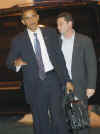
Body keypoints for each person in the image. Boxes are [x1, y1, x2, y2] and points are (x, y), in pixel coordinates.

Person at [6, 8, 73, 134]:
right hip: (34, 84)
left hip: (53, 80)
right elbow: (9, 62)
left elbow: (59, 58)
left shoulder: (51, 33)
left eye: (33, 16)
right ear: (23, 22)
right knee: (41, 119)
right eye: (27, 18)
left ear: (37, 17)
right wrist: (17, 63)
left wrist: (67, 80)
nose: (31, 20)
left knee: (58, 117)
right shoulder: (18, 40)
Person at [57, 12, 97, 134]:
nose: (58, 27)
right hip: (61, 87)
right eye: (57, 24)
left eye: (60, 24)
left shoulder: (85, 41)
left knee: (81, 121)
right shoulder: (56, 42)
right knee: (64, 121)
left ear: (70, 24)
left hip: (79, 86)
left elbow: (91, 64)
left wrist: (91, 86)